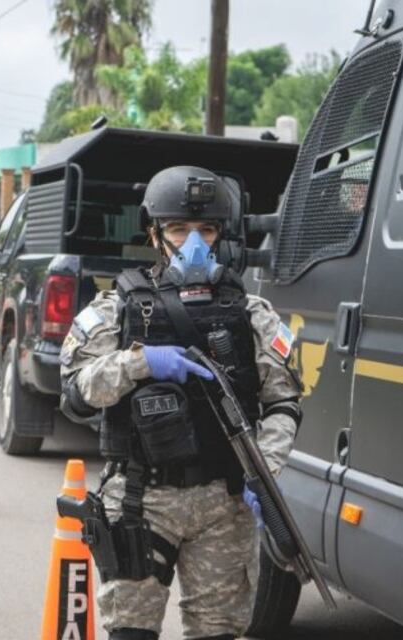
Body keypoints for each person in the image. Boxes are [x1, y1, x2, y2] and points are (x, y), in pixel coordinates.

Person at [59, 166, 302, 640]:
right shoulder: (116, 309)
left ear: (221, 236)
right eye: (178, 229)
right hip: (140, 498)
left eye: (206, 230)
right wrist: (138, 363)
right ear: (154, 234)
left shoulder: (254, 315)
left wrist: (264, 468)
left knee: (217, 634)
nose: (193, 241)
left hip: (224, 502)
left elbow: (284, 403)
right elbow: (75, 395)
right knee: (131, 632)